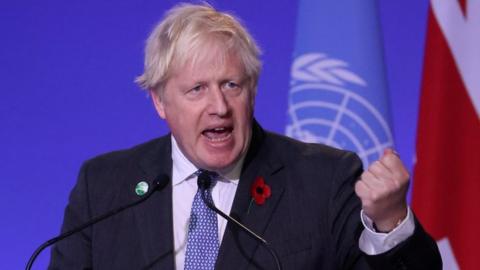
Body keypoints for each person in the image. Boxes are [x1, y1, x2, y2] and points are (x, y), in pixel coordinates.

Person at [49, 3, 441, 269]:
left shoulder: (324, 181)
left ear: (252, 90)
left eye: (232, 85)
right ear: (160, 101)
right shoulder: (103, 188)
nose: (219, 106)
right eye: (197, 89)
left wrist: (390, 221)